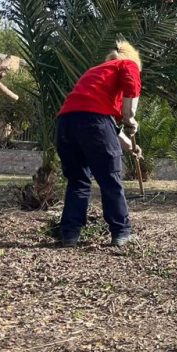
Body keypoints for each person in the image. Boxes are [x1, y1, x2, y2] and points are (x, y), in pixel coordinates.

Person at [56, 40, 143, 247]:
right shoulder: (127, 65)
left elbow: (107, 125)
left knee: (78, 181)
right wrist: (130, 118)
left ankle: (69, 234)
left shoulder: (96, 72)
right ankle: (121, 232)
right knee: (110, 179)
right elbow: (129, 92)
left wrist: (131, 146)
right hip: (94, 123)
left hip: (66, 123)